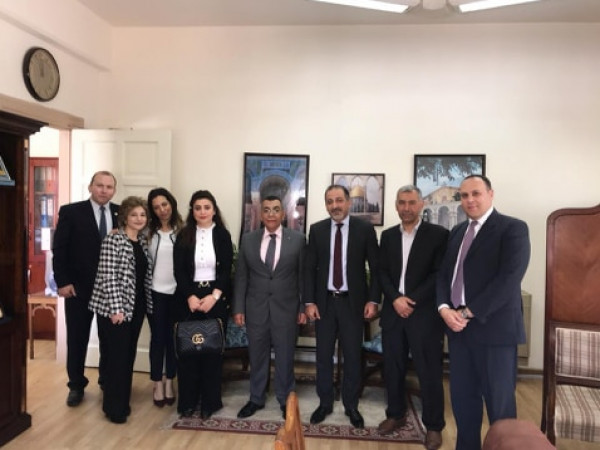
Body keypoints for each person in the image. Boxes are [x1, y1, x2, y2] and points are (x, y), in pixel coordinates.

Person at [436, 175, 530, 450]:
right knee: (463, 404)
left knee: (500, 409)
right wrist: (444, 309)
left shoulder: (512, 228)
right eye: (464, 195)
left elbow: (508, 280)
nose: (469, 200)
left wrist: (466, 313)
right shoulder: (457, 232)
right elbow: (443, 275)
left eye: (475, 193)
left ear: (490, 194)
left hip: (495, 333)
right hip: (458, 332)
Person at [378, 185, 448, 450]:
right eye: (401, 203)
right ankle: (395, 414)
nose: (406, 208)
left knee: (429, 371)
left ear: (421, 205)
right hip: (393, 312)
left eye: (411, 202)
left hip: (424, 315)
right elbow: (382, 272)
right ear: (396, 205)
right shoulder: (387, 236)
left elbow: (438, 274)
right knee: (392, 368)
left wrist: (410, 300)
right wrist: (395, 298)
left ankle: (434, 426)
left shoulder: (438, 235)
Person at [304, 184, 380, 429]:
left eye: (339, 200)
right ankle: (325, 403)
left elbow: (376, 268)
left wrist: (373, 300)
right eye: (330, 201)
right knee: (323, 356)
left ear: (348, 202)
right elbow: (309, 269)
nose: (334, 205)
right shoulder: (317, 230)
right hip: (324, 303)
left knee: (353, 357)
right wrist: (309, 301)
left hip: (352, 304)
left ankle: (351, 405)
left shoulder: (364, 229)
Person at [233, 195, 306, 420]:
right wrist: (238, 308)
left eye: (276, 209)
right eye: (266, 210)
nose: (271, 214)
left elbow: (303, 278)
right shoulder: (248, 240)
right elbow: (241, 277)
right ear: (261, 214)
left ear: (283, 214)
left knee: (285, 355)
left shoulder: (298, 240)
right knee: (257, 355)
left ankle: (285, 399)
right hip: (256, 308)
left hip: (287, 308)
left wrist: (303, 308)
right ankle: (256, 398)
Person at [52, 170, 119, 407]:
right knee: (77, 338)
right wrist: (62, 281)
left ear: (114, 190)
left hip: (110, 290)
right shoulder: (71, 212)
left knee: (109, 339)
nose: (104, 190)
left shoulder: (121, 213)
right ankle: (76, 385)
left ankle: (106, 381)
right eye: (99, 185)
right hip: (78, 288)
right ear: (90, 187)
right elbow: (59, 249)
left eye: (109, 187)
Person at [88, 196, 153, 424]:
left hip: (136, 307)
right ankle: (114, 409)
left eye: (142, 215)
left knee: (127, 356)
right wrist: (116, 310)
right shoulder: (113, 240)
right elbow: (108, 277)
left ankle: (122, 402)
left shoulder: (142, 242)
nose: (139, 218)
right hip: (115, 309)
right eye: (134, 214)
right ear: (124, 217)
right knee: (116, 358)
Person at [173, 190, 233, 419]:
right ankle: (187, 403)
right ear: (192, 211)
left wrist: (214, 297)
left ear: (214, 210)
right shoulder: (184, 234)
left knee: (212, 354)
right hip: (187, 299)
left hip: (214, 299)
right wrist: (190, 296)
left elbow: (226, 269)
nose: (202, 212)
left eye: (207, 207)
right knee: (188, 353)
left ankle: (210, 402)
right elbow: (179, 270)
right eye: (197, 208)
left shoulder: (223, 235)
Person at [147, 188, 183, 407]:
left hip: (177, 294)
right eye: (157, 207)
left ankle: (170, 381)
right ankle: (157, 383)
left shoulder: (183, 230)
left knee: (173, 340)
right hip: (155, 293)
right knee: (158, 339)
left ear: (171, 203)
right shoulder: (147, 232)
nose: (162, 210)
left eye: (165, 204)